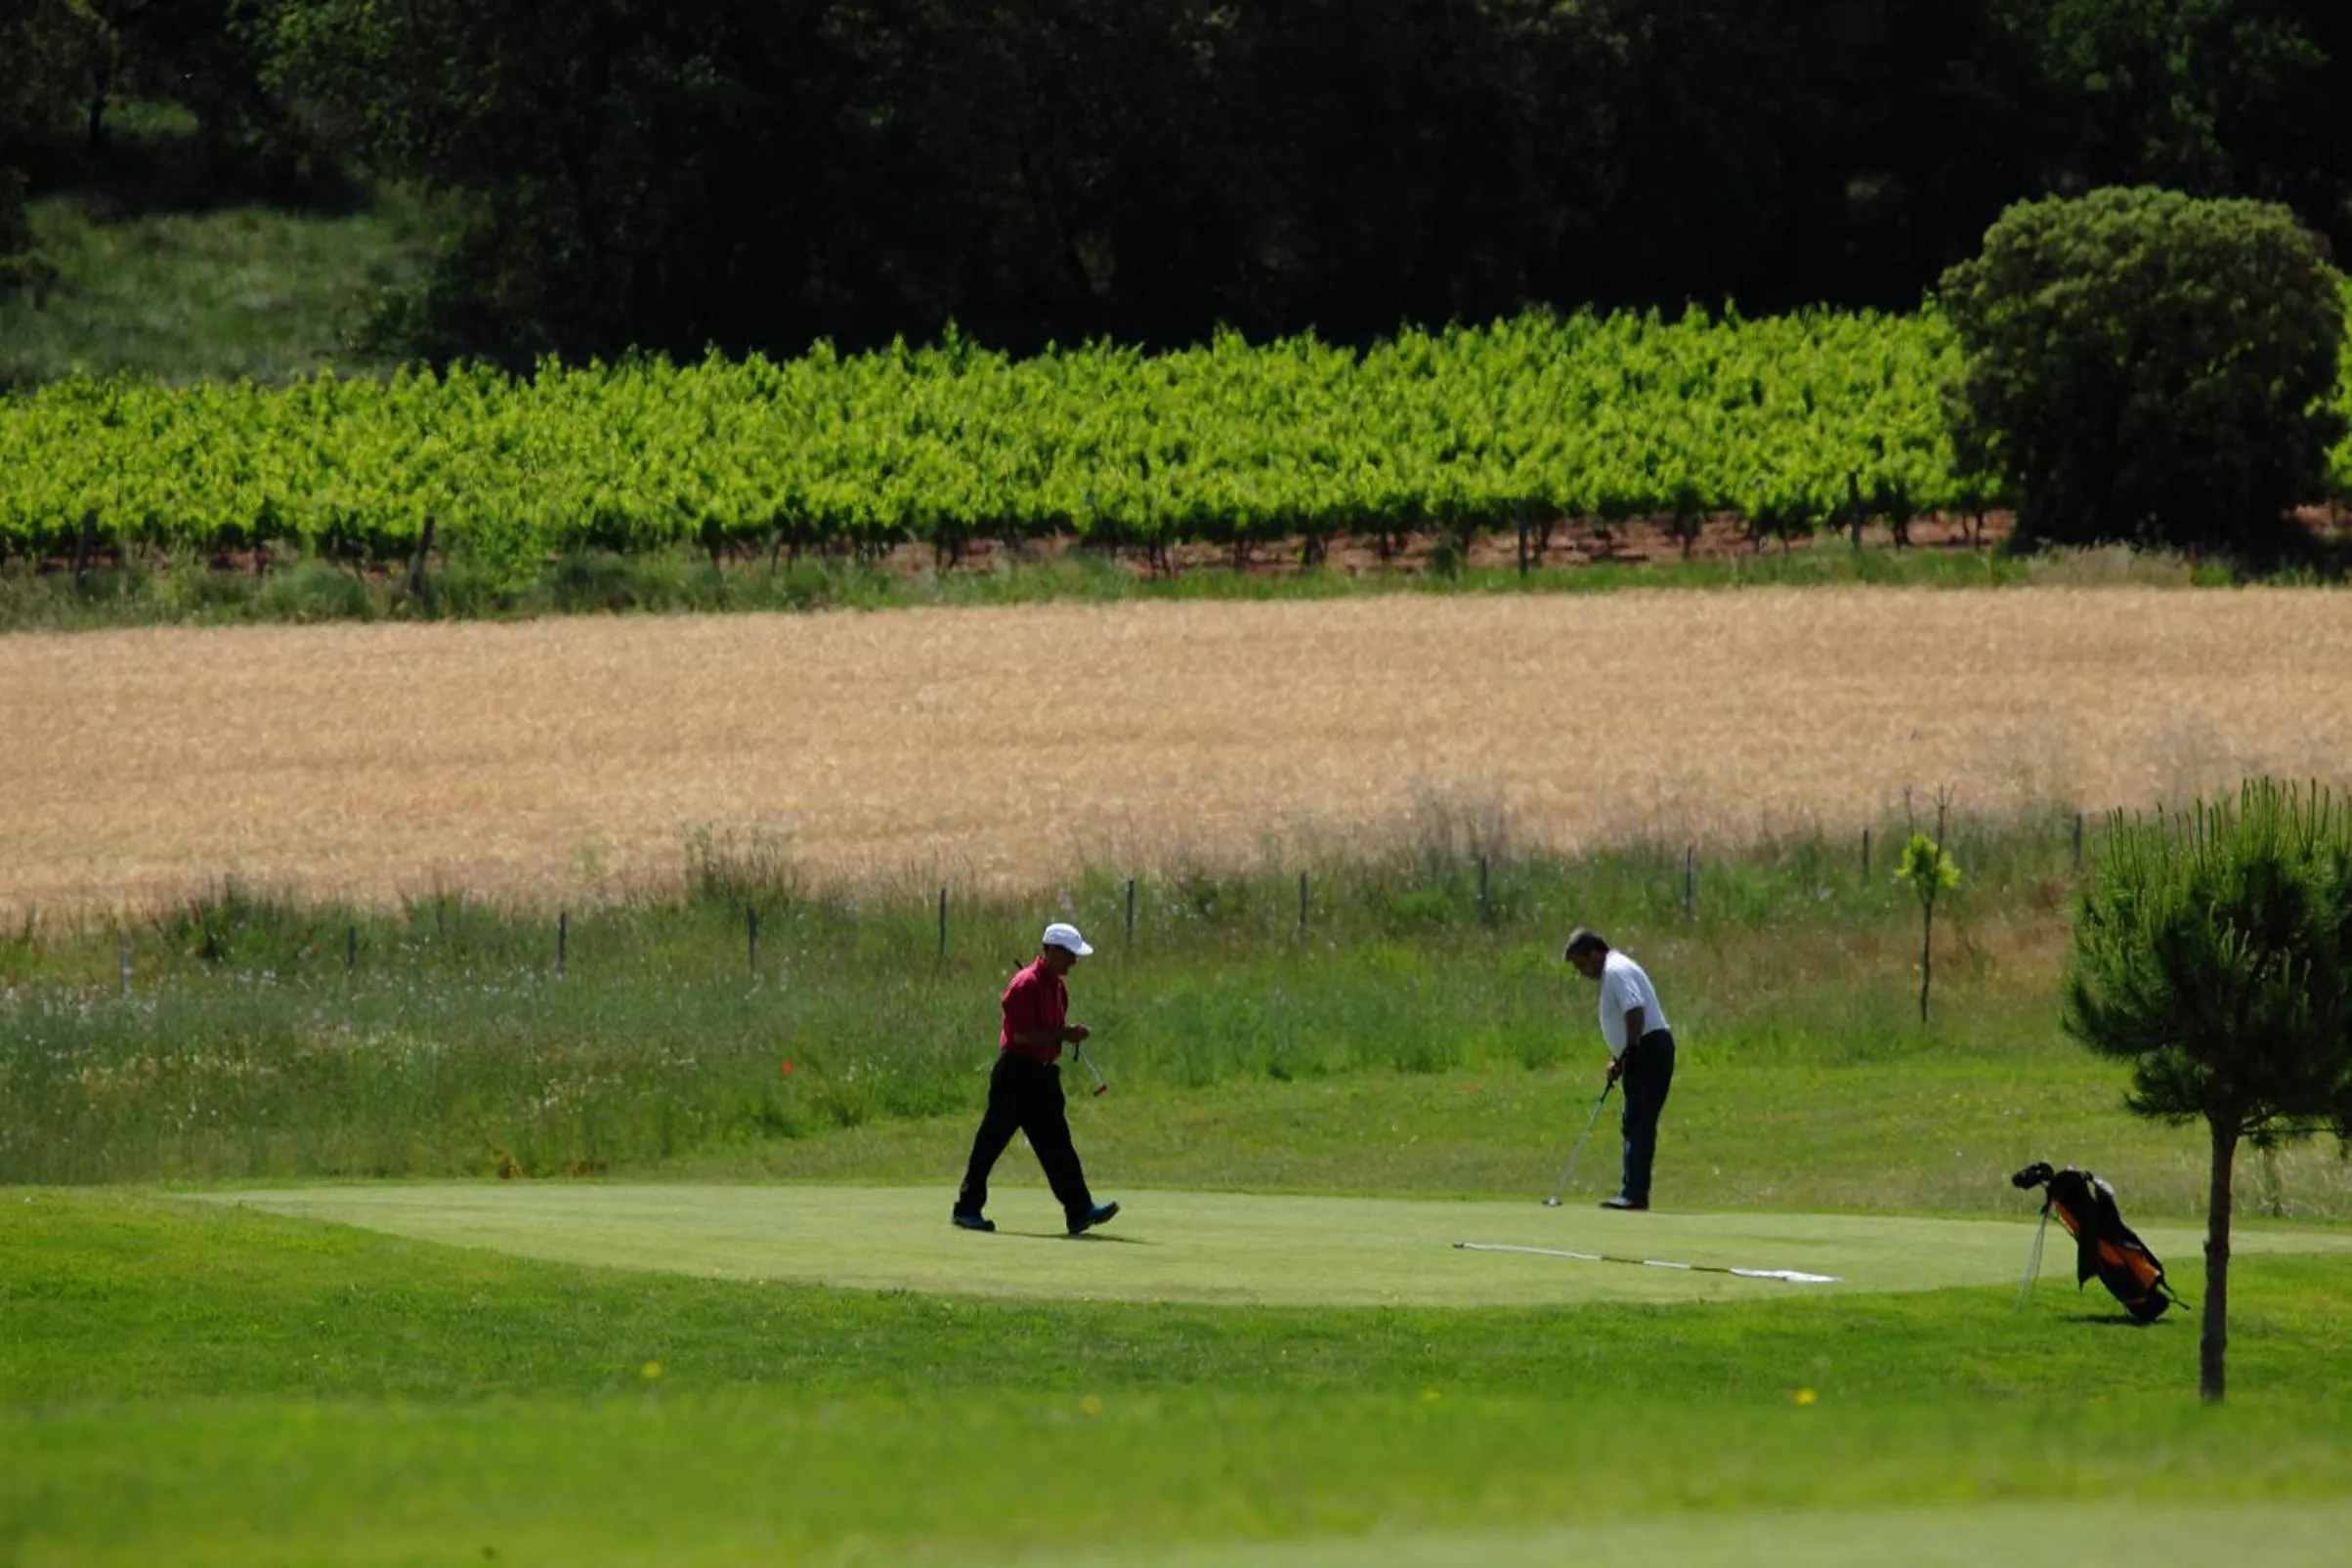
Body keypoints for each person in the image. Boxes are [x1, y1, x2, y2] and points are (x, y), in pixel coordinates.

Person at [953, 921, 1121, 1236]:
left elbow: (1047, 1029)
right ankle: (967, 1209)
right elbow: (1022, 1035)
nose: (1074, 961)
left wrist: (1066, 1034)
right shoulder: (1024, 985)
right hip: (1016, 1075)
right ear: (1051, 951)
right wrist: (1065, 1033)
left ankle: (1079, 1210)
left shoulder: (1057, 987)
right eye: (1070, 954)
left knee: (1058, 1145)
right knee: (990, 1143)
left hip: (1042, 1077)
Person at [1561, 927, 1676, 1211]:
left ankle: (1635, 1195)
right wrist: (1620, 1057)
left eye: (1581, 964)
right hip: (1644, 1048)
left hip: (1648, 1048)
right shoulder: (1613, 970)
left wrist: (1630, 1052)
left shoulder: (1616, 970)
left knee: (1638, 1120)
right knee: (1635, 1119)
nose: (1581, 972)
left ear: (1595, 953)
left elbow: (1635, 1010)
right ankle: (1633, 1191)